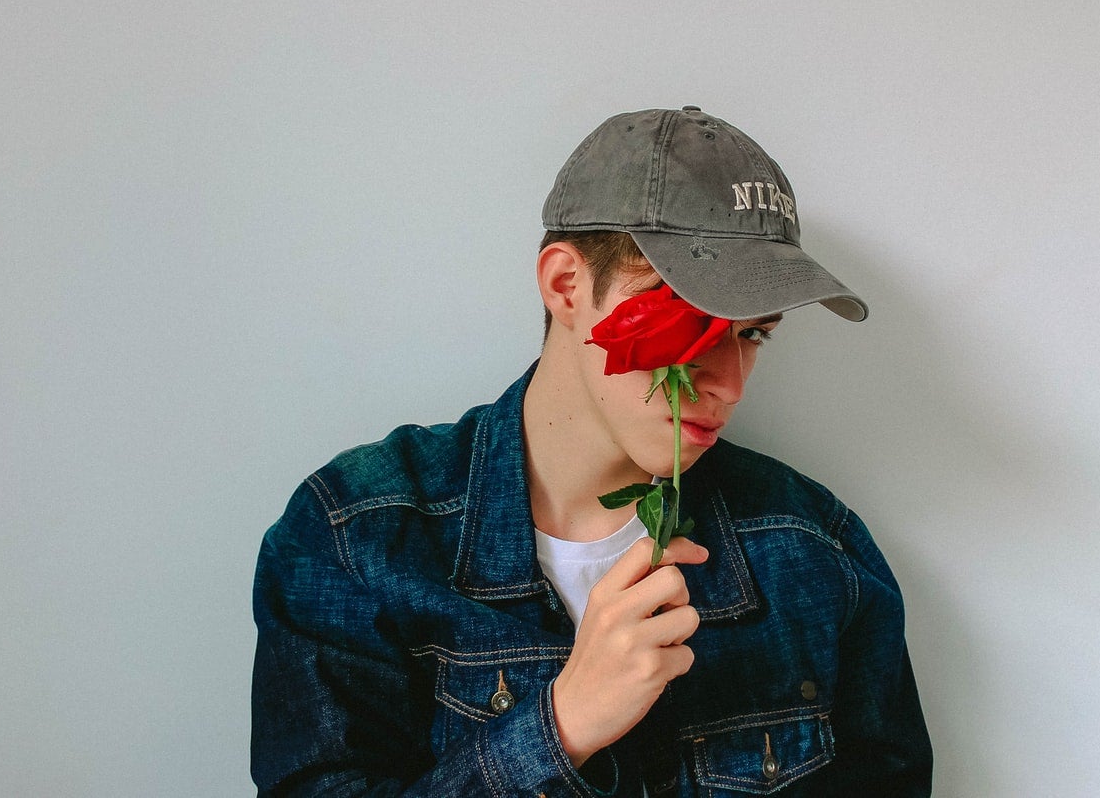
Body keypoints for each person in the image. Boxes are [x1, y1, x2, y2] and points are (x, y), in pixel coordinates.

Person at [250, 105, 932, 795]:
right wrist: (559, 725)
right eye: (691, 318)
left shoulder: (815, 551)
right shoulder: (358, 540)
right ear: (567, 286)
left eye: (753, 333)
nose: (727, 383)